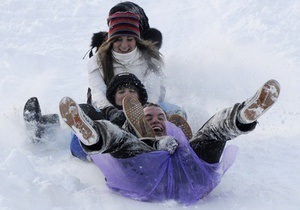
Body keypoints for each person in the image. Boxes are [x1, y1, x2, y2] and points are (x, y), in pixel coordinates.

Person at [59, 79, 280, 204]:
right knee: (121, 141)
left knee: (212, 132)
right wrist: (155, 144)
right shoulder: (132, 139)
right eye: (148, 117)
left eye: (160, 117)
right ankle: (92, 134)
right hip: (146, 172)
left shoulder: (178, 135)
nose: (156, 119)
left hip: (188, 176)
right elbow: (123, 145)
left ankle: (243, 115)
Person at [87, 9, 186, 124]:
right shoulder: (98, 61)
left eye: (129, 39)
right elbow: (97, 90)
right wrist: (110, 110)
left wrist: (146, 109)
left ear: (136, 40)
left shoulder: (149, 58)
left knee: (176, 112)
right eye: (118, 39)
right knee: (87, 113)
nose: (124, 45)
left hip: (145, 104)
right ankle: (92, 136)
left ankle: (174, 135)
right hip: (108, 107)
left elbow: (152, 88)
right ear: (110, 41)